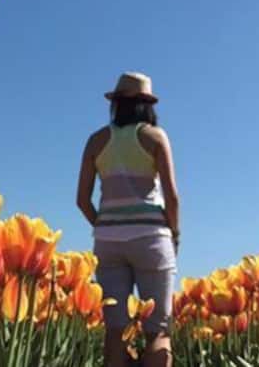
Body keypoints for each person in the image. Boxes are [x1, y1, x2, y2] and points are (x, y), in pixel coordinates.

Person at [76, 72, 180, 367]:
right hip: (151, 239)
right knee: (157, 328)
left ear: (117, 103)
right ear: (147, 105)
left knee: (115, 329)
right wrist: (175, 235)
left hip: (108, 243)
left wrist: (104, 225)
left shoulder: (96, 140)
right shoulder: (155, 137)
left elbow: (82, 200)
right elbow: (172, 197)